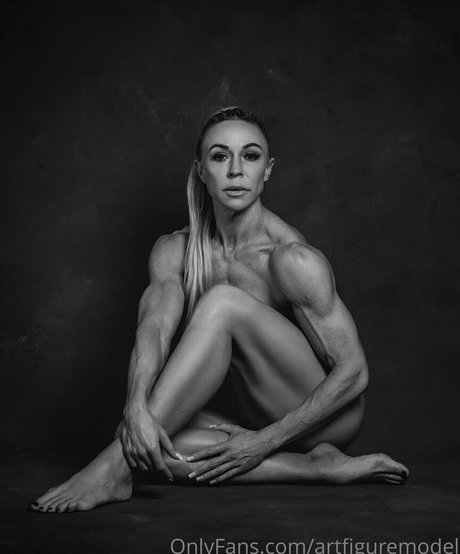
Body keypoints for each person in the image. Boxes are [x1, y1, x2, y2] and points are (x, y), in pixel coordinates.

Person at [30, 106, 409, 513]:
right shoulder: (174, 250)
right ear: (201, 170)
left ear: (267, 170)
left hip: (326, 418)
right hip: (257, 416)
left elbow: (354, 372)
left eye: (251, 156)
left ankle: (110, 471)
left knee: (222, 302)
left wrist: (263, 441)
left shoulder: (291, 259)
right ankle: (313, 467)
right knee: (142, 438)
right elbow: (154, 329)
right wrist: (135, 405)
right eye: (220, 156)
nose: (235, 170)